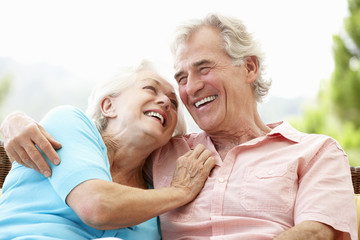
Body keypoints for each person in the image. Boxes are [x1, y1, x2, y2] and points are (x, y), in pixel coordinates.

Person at [1, 13, 357, 240]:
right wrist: (15, 121)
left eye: (203, 69)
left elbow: (316, 234)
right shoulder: (165, 154)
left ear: (249, 68)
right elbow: (100, 172)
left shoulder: (316, 152)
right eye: (181, 77)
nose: (186, 90)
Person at [0, 60, 216, 239]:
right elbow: (95, 206)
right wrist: (180, 192)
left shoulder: (156, 196)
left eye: (173, 102)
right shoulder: (70, 122)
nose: (165, 102)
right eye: (150, 89)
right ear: (108, 106)